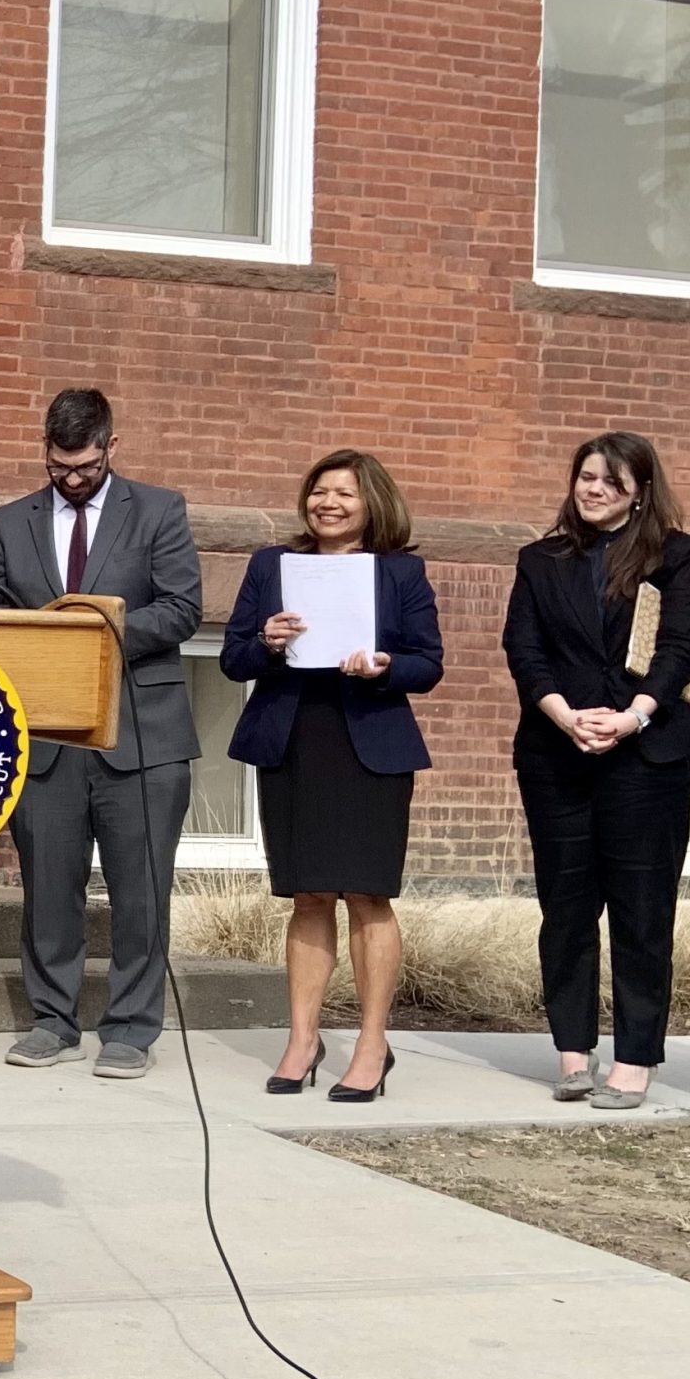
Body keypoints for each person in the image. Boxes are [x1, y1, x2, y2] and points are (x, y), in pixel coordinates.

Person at [0, 387, 202, 1080]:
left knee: (141, 889)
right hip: (48, 736)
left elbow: (183, 608)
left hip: (143, 733)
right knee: (49, 885)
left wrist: (99, 635)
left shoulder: (160, 510)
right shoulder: (11, 521)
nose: (72, 479)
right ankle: (53, 1021)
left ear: (112, 445)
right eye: (59, 466)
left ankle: (132, 1029)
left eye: (85, 465)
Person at [503, 433, 690, 1108]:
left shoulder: (677, 556)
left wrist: (634, 716)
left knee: (640, 910)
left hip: (645, 756)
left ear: (641, 491)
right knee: (565, 908)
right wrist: (564, 714)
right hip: (556, 751)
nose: (594, 489)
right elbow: (524, 646)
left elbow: (681, 647)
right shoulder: (540, 560)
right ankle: (573, 1050)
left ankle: (635, 1058)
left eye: (612, 481)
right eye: (586, 477)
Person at [223, 451, 443, 1103]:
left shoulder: (401, 572)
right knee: (310, 895)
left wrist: (384, 665)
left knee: (367, 896)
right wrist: (265, 638)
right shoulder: (272, 566)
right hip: (294, 742)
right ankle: (302, 1039)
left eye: (344, 493)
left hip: (368, 745)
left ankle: (373, 1045)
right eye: (318, 491)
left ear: (372, 502)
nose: (328, 503)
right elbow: (234, 658)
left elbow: (428, 663)